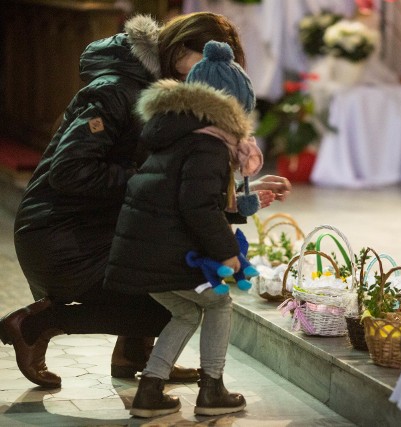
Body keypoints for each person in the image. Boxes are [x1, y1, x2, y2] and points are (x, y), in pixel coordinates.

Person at [0, 12, 291, 389]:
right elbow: (70, 171)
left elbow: (170, 180)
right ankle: (37, 324)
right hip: (60, 235)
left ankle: (134, 354)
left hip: (92, 229)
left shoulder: (169, 93)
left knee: (166, 250)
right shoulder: (114, 89)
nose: (206, 82)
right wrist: (155, 187)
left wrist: (229, 194)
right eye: (201, 66)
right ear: (181, 49)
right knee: (178, 292)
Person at [105, 39, 260, 418]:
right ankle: (212, 389)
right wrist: (227, 252)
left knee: (187, 313)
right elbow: (197, 207)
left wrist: (239, 204)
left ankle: (150, 391)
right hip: (164, 253)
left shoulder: (175, 134)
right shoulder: (207, 145)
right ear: (229, 104)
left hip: (142, 253)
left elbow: (181, 196)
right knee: (220, 303)